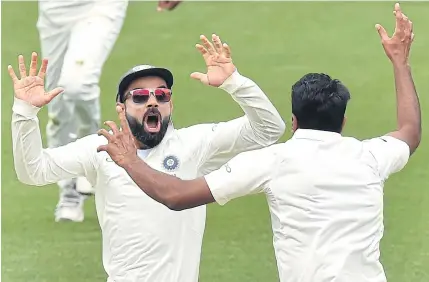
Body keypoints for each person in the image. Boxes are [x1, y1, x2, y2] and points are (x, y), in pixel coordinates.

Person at [97, 4, 421, 282]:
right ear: (344, 122)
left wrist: (130, 160)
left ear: (293, 122)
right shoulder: (371, 155)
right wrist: (399, 62)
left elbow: (175, 196)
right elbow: (409, 130)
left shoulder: (271, 161)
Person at [9, 34, 285, 282]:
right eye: (140, 97)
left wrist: (234, 83)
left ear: (170, 104)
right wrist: (25, 112)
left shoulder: (195, 144)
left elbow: (269, 129)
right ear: (122, 107)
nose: (152, 102)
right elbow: (33, 171)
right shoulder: (101, 149)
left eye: (161, 95)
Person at [36, 0, 182, 222]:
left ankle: (90, 152)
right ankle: (69, 190)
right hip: (54, 9)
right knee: (57, 101)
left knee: (77, 85)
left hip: (101, 5)